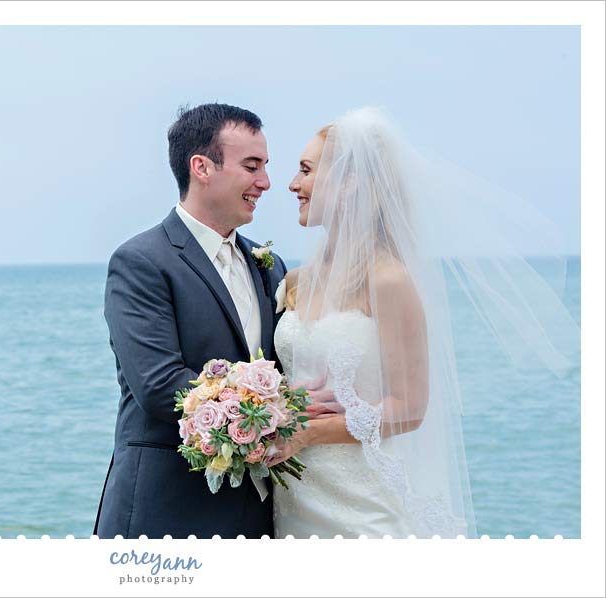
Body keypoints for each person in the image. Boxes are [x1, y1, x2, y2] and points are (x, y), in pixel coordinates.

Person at [265, 107, 579, 538]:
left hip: (361, 506)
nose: (292, 184)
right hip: (295, 494)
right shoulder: (297, 280)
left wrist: (309, 435)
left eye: (305, 170)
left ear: (349, 181)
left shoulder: (389, 279)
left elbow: (410, 409)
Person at [94, 103, 287, 539]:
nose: (265, 182)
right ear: (201, 167)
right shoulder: (141, 262)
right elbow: (160, 385)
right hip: (165, 514)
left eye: (266, 167)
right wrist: (273, 416)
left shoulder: (269, 265)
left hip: (257, 518)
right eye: (251, 166)